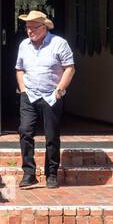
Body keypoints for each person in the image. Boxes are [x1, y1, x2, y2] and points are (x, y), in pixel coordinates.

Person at [15, 10, 75, 188]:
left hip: (51, 96)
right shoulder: (24, 45)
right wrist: (23, 89)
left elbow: (70, 68)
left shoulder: (59, 43)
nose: (29, 31)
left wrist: (60, 90)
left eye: (33, 27)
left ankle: (51, 174)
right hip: (30, 95)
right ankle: (29, 173)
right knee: (25, 131)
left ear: (44, 27)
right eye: (27, 27)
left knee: (51, 136)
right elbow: (19, 69)